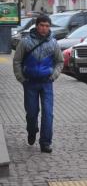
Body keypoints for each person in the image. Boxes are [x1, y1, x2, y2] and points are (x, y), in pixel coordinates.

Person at [13, 15, 64, 153]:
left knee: (48, 114)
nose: (44, 28)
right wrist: (21, 78)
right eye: (42, 25)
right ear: (36, 26)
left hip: (47, 82)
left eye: (47, 26)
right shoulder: (25, 42)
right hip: (29, 83)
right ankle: (31, 130)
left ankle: (45, 142)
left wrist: (53, 76)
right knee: (31, 113)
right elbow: (16, 61)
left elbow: (60, 61)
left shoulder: (53, 43)